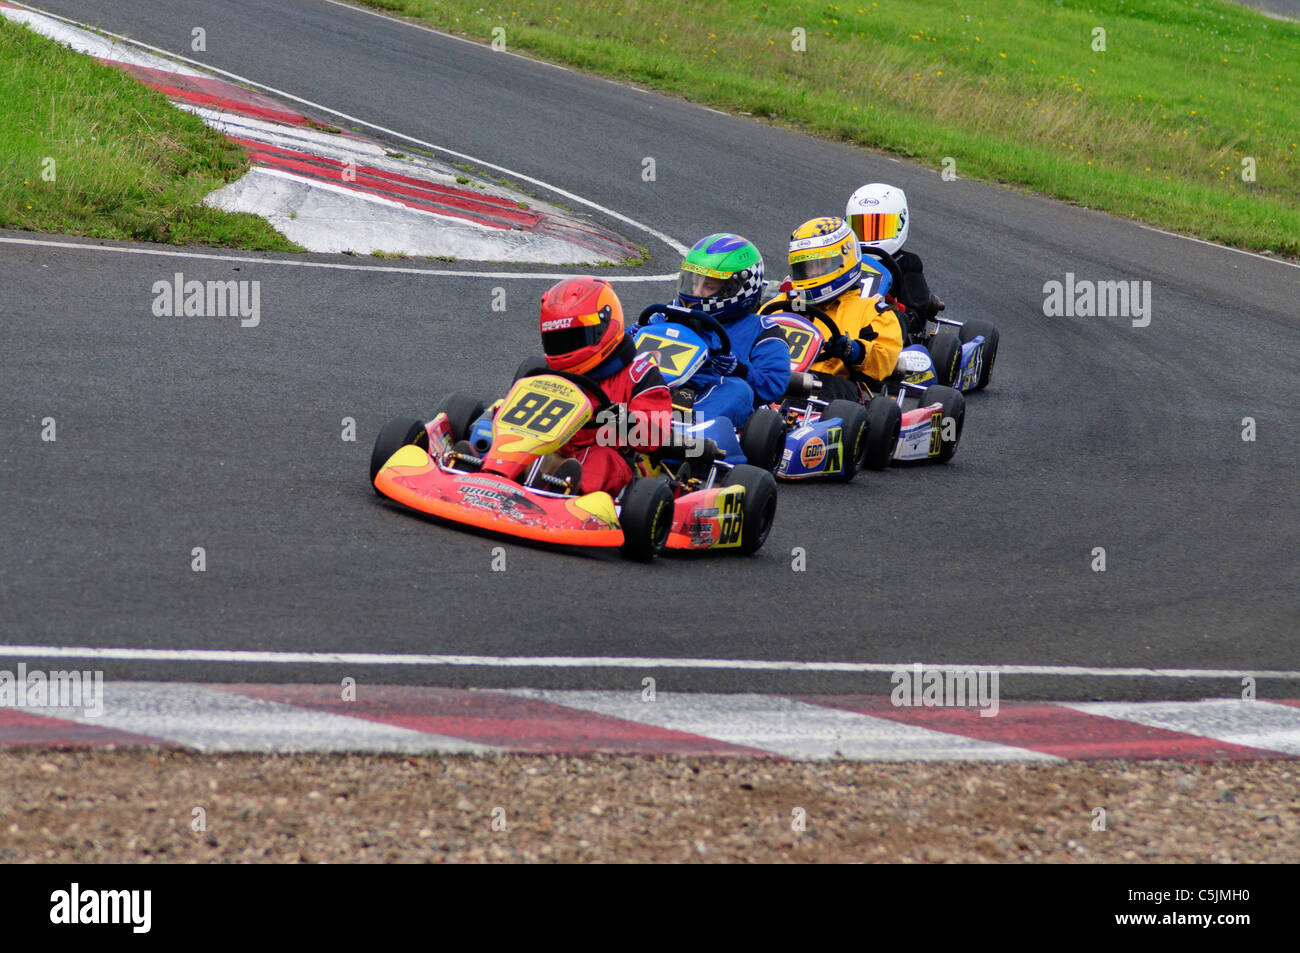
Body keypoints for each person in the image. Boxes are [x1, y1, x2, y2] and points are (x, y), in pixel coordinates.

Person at [537, 276, 671, 495]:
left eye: (574, 337)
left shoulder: (639, 374)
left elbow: (656, 433)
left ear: (604, 328)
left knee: (600, 458)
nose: (565, 347)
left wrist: (624, 419)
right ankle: (486, 468)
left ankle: (567, 492)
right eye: (558, 340)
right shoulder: (550, 373)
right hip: (555, 449)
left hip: (614, 459)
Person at [764, 216, 904, 402]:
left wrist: (852, 350)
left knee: (838, 389)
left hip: (829, 390)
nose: (811, 273)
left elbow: (885, 359)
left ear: (845, 259)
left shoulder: (871, 310)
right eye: (804, 267)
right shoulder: (781, 303)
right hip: (774, 378)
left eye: (819, 265)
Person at [656, 232, 789, 428]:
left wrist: (739, 370)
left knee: (739, 390)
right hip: (658, 388)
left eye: (708, 286)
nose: (696, 292)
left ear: (738, 289)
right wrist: (633, 335)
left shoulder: (762, 330)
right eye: (694, 283)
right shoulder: (671, 312)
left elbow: (774, 384)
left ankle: (687, 432)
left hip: (709, 396)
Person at [845, 183, 945, 341]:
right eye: (861, 227)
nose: (870, 236)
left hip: (886, 336)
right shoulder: (844, 260)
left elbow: (916, 319)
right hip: (842, 322)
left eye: (879, 226)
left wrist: (892, 312)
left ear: (900, 223)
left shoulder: (907, 263)